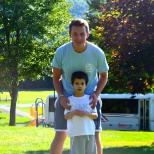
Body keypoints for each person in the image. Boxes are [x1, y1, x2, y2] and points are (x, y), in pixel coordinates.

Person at [50, 18, 109, 154]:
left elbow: (104, 75)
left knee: (94, 135)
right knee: (61, 134)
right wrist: (61, 96)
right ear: (70, 35)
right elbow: (56, 77)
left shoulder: (97, 53)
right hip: (66, 99)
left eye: (82, 34)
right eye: (75, 34)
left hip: (90, 101)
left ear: (87, 34)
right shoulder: (61, 52)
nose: (78, 37)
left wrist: (96, 94)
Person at [64, 71, 98, 154]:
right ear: (72, 85)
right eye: (77, 83)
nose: (79, 86)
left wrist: (86, 113)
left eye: (82, 83)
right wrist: (74, 112)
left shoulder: (90, 99)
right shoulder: (70, 100)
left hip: (89, 132)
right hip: (76, 133)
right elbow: (66, 116)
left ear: (86, 85)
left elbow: (95, 115)